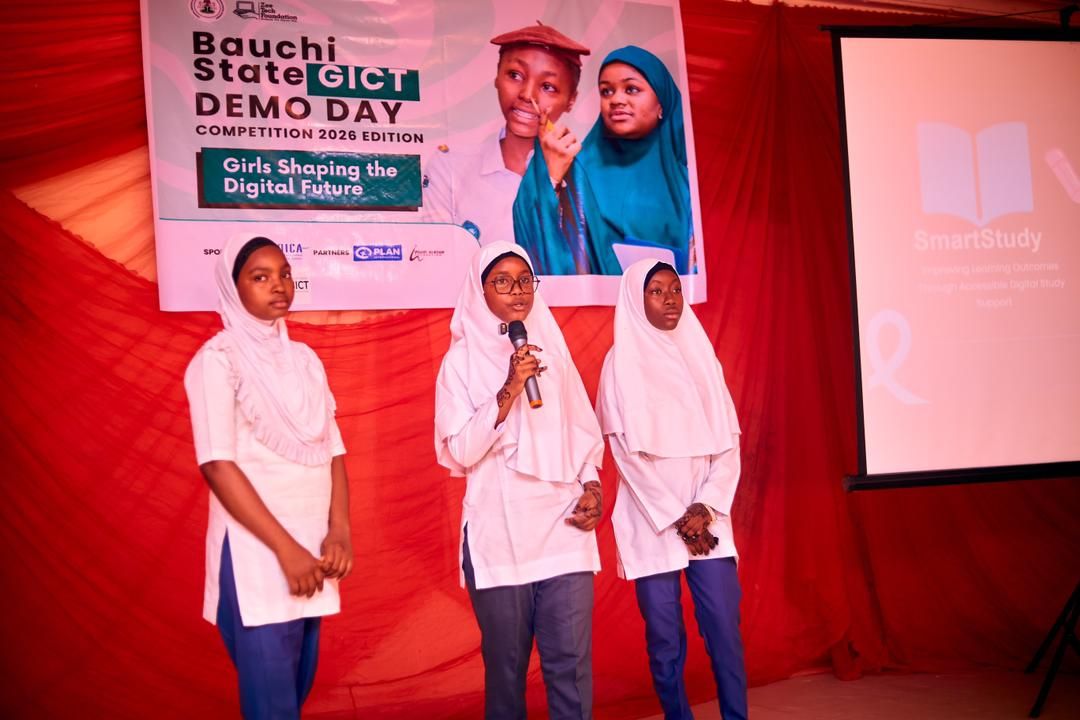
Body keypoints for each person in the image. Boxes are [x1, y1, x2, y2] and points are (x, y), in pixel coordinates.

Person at [184, 236, 353, 719]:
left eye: (283, 274)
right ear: (232, 286)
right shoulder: (217, 361)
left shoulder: (306, 360)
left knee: (295, 690)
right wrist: (285, 549)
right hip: (259, 553)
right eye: (260, 277)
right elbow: (217, 464)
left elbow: (333, 450)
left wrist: (339, 530)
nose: (278, 285)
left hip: (314, 550)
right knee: (272, 703)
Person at [434, 241, 605, 719]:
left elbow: (579, 429)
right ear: (480, 289)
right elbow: (462, 451)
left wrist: (592, 485)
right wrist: (509, 388)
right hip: (501, 536)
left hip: (564, 527)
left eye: (525, 280)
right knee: (507, 675)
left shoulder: (553, 348)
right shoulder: (460, 363)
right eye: (503, 282)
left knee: (571, 669)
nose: (517, 291)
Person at [595, 260, 746, 719]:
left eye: (675, 289)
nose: (670, 300)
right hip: (654, 523)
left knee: (724, 632)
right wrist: (679, 518)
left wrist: (706, 507)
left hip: (708, 520)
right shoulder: (620, 363)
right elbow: (625, 455)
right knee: (665, 643)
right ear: (636, 299)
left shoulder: (701, 354)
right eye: (656, 291)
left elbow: (729, 442)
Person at [514, 46, 694, 275]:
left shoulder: (689, 180)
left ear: (662, 103)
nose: (616, 99)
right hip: (594, 298)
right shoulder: (573, 167)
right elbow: (537, 236)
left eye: (631, 89)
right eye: (606, 91)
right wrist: (551, 176)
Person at [421, 23, 589, 246]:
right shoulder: (450, 167)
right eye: (515, 75)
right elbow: (435, 255)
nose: (527, 95)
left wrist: (553, 180)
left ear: (571, 100)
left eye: (548, 86)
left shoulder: (585, 179)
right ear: (497, 77)